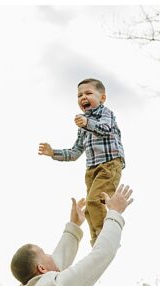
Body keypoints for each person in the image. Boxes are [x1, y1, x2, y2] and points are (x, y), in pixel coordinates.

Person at [38, 78, 124, 243]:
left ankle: (105, 238)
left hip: (109, 164)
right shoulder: (82, 125)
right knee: (89, 209)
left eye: (88, 93)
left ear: (102, 98)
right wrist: (52, 152)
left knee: (94, 201)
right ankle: (96, 243)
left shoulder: (106, 114)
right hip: (91, 170)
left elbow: (104, 130)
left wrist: (87, 123)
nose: (83, 97)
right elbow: (75, 152)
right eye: (79, 95)